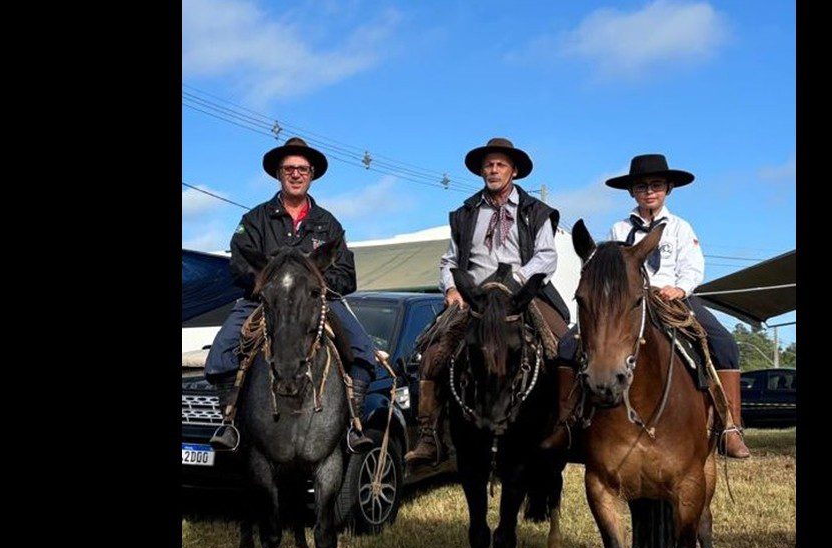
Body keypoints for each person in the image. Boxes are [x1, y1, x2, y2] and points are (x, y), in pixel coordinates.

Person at [542, 153, 752, 458]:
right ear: (632, 192)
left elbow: (693, 267)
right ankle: (566, 424)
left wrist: (680, 288)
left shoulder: (681, 228)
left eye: (656, 185)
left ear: (668, 189)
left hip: (674, 299)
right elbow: (608, 272)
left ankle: (729, 428)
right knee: (565, 346)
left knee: (724, 343)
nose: (649, 191)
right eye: (642, 187)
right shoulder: (617, 230)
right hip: (628, 303)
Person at [404, 137, 570, 466]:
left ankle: (562, 426)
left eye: (500, 165)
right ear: (482, 171)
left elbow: (546, 257)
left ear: (514, 171)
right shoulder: (465, 213)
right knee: (433, 352)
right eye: (488, 165)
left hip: (522, 295)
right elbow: (450, 261)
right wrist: (451, 288)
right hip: (475, 296)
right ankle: (430, 436)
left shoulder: (535, 211)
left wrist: (516, 282)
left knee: (562, 345)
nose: (493, 170)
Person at [204, 137, 377, 454]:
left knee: (364, 350)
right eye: (289, 169)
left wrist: (314, 285)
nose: (296, 174)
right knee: (220, 353)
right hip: (264, 301)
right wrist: (269, 283)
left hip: (317, 301)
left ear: (311, 174)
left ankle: (354, 424)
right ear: (278, 174)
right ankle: (230, 422)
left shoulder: (328, 224)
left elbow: (346, 274)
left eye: (302, 169)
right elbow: (239, 263)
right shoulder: (254, 220)